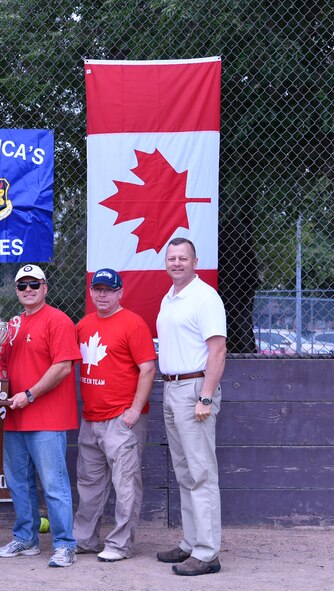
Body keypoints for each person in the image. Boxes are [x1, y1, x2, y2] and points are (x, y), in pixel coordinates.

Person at [0, 264, 81, 568]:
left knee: (54, 484)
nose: (28, 290)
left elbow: (63, 367)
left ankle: (64, 544)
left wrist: (29, 394)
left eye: (34, 284)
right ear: (17, 291)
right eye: (22, 286)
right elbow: (0, 363)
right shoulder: (14, 324)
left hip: (47, 417)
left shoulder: (59, 320)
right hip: (15, 417)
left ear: (45, 287)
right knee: (19, 483)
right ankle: (26, 539)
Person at [74, 268, 156, 562]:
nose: (103, 295)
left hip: (122, 419)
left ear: (120, 292)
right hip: (91, 418)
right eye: (98, 289)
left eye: (109, 290)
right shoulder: (84, 324)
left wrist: (134, 410)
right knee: (89, 483)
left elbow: (148, 368)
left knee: (126, 484)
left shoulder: (132, 324)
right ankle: (84, 539)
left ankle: (120, 544)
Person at [155, 237, 227, 576]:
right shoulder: (169, 298)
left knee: (201, 473)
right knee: (185, 474)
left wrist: (206, 396)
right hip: (171, 387)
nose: (176, 263)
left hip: (194, 388)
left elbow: (217, 350)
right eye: (171, 258)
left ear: (195, 261)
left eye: (183, 258)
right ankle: (191, 543)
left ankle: (207, 552)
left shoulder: (204, 296)